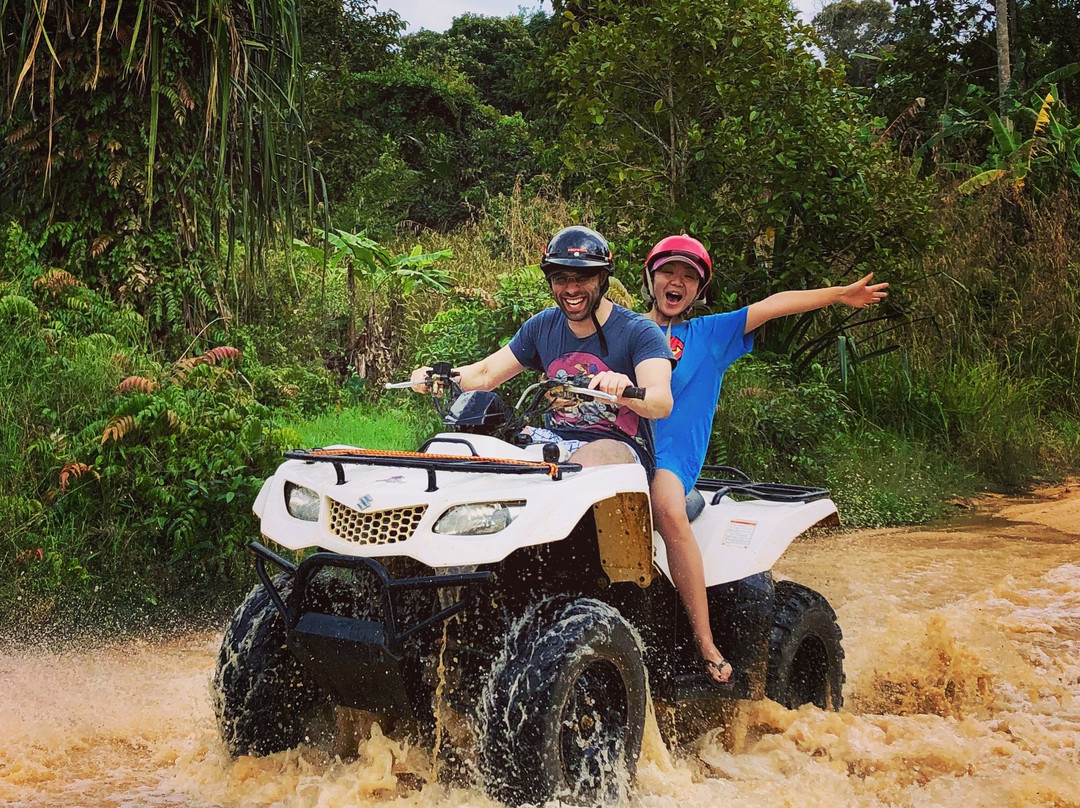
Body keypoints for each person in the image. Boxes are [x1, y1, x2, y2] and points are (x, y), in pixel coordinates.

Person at [642, 234, 889, 684]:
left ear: (699, 290)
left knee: (666, 509)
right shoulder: (626, 330)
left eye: (688, 276)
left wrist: (839, 295)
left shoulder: (711, 334)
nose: (676, 282)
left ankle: (705, 641)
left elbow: (775, 304)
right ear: (651, 278)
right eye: (668, 272)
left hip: (671, 461)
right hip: (623, 452)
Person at [412, 225, 674, 474]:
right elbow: (486, 374)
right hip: (554, 442)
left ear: (603, 278)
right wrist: (438, 377)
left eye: (582, 278)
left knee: (576, 470)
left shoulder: (640, 331)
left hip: (622, 448)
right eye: (561, 278)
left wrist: (624, 391)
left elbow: (661, 403)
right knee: (469, 451)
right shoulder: (542, 326)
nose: (571, 289)